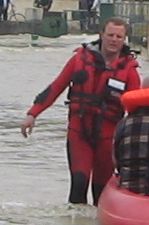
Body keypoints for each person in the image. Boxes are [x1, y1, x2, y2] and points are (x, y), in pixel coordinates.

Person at [21, 16, 141, 203]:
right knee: (79, 183)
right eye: (110, 34)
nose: (114, 40)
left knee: (101, 191)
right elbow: (56, 87)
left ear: (124, 40)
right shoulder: (79, 60)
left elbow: (137, 111)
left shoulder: (129, 72)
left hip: (108, 138)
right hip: (79, 132)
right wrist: (32, 113)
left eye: (119, 36)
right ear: (101, 34)